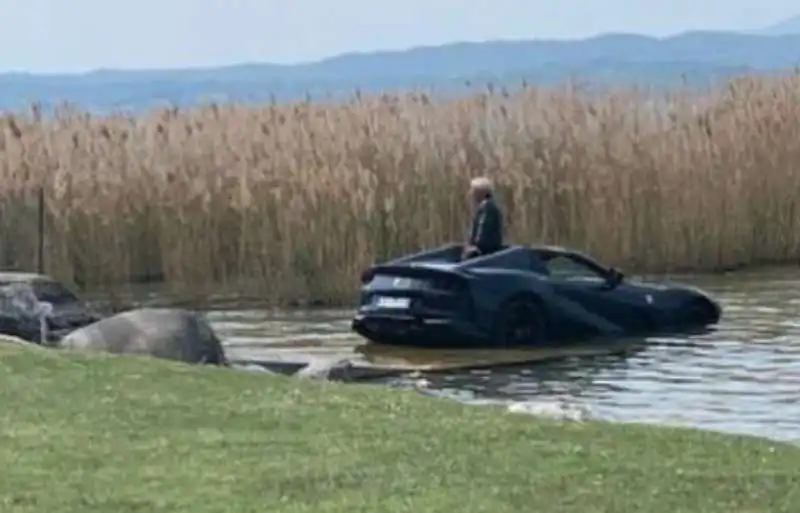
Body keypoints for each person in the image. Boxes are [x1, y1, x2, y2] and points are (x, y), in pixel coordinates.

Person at [463, 176, 503, 260]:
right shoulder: (486, 206)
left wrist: (474, 248)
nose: (470, 193)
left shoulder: (487, 207)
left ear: (481, 192)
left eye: (473, 191)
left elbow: (484, 233)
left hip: (485, 253)